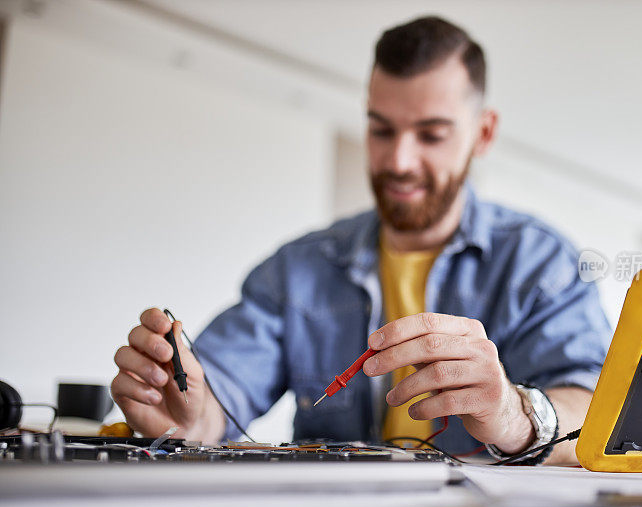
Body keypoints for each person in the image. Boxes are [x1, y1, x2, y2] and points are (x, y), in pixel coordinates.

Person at [110, 16, 611, 465]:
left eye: (431, 134)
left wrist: (510, 410)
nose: (399, 160)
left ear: (483, 133)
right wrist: (187, 416)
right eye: (381, 130)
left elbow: (597, 411)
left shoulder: (541, 262)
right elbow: (214, 399)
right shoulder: (297, 269)